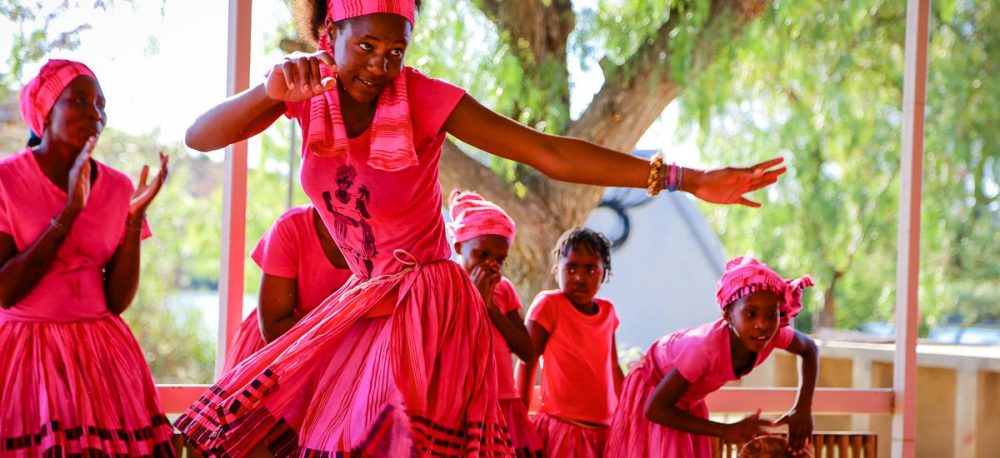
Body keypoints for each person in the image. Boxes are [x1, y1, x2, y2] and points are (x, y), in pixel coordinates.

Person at [174, 0, 786, 454]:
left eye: (396, 51)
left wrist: (686, 177)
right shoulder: (303, 93)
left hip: (425, 304)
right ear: (330, 33)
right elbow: (200, 136)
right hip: (364, 304)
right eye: (365, 47)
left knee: (376, 441)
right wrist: (267, 92)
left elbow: (552, 155)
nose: (381, 66)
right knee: (268, 431)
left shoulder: (422, 98)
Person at [0, 59, 172, 456]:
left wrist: (133, 218)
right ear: (45, 111)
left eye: (101, 104)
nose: (95, 114)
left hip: (100, 356)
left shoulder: (116, 186)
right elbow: (5, 293)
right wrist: (68, 213)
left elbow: (117, 301)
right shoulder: (7, 180)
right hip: (23, 353)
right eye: (79, 100)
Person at [603, 256, 819, 457]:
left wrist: (802, 408)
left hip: (685, 402)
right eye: (751, 314)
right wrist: (726, 430)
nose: (762, 324)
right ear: (728, 316)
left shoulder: (771, 335)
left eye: (771, 313)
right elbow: (656, 409)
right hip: (654, 394)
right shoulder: (705, 349)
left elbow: (810, 349)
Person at [447, 189, 542, 457]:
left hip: (503, 403)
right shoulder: (447, 287)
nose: (491, 265)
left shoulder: (503, 290)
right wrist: (475, 300)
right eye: (481, 254)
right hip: (463, 404)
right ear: (458, 247)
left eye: (500, 259)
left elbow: (527, 351)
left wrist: (490, 307)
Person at [517, 228, 623, 457]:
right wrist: (520, 422)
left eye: (590, 269)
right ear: (557, 271)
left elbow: (613, 367)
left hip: (604, 433)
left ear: (604, 274)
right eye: (571, 267)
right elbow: (528, 360)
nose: (579, 277)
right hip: (562, 431)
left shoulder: (608, 312)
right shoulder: (549, 305)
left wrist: (631, 412)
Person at [222, 205, 352, 372]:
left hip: (339, 357)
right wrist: (343, 320)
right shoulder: (291, 226)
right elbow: (273, 328)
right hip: (277, 353)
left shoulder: (386, 230)